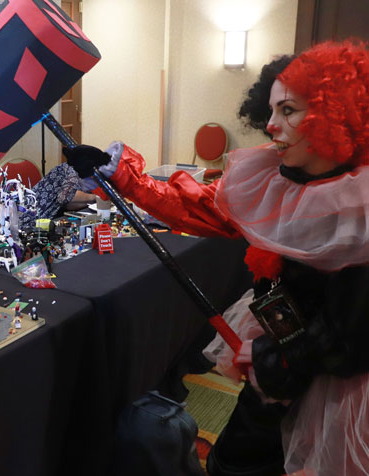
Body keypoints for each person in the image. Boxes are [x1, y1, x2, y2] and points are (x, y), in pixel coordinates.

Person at [63, 40, 369, 475]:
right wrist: (122, 178)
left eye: (289, 111)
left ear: (335, 114)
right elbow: (205, 207)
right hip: (275, 373)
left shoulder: (362, 209)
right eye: (271, 110)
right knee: (233, 464)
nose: (271, 126)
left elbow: (348, 338)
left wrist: (275, 360)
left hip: (335, 395)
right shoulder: (277, 179)